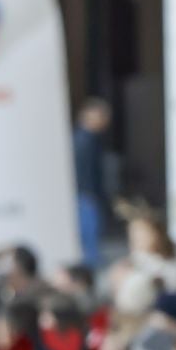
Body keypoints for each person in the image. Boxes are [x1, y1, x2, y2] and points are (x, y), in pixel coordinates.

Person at [71, 98, 112, 267]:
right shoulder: (83, 140)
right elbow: (86, 172)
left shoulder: (88, 139)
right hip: (86, 194)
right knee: (89, 237)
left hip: (87, 193)